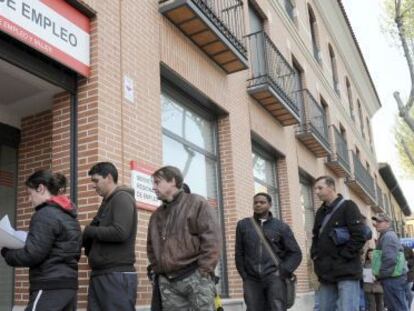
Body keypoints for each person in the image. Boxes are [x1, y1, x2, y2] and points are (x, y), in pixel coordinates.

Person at [1, 170, 81, 310]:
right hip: (69, 286)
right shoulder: (70, 217)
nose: (29, 199)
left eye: (30, 194)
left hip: (48, 286)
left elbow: (32, 254)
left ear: (41, 188)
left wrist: (6, 252)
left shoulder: (44, 214)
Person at [147, 166, 220, 310]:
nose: (153, 187)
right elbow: (151, 246)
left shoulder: (197, 203)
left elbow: (212, 240)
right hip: (168, 282)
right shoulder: (156, 215)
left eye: (157, 182)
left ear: (172, 181)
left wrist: (203, 271)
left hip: (196, 277)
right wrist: (158, 270)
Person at [83, 162, 138, 310]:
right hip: (101, 273)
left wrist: (86, 230)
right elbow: (92, 232)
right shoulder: (106, 203)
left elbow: (120, 232)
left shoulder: (122, 198)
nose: (93, 186)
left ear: (108, 177)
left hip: (116, 275)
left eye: (96, 181)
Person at [235, 192, 302, 310]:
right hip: (251, 279)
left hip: (274, 277)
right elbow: (239, 252)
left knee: (276, 308)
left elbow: (295, 253)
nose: (258, 205)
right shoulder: (243, 225)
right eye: (255, 202)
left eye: (262, 202)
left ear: (270, 205)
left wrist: (283, 271)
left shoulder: (281, 227)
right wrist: (244, 275)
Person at [311, 176, 366, 311]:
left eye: (320, 188)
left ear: (331, 187)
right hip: (326, 273)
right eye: (315, 189)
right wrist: (315, 256)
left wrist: (343, 257)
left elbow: (359, 236)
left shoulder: (348, 206)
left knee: (348, 308)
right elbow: (315, 237)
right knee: (324, 308)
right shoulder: (320, 212)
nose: (316, 192)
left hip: (346, 271)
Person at [372, 213, 408, 311]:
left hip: (392, 278)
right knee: (396, 306)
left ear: (388, 223)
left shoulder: (388, 236)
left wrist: (380, 275)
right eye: (376, 221)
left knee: (397, 307)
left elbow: (390, 259)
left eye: (379, 221)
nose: (376, 224)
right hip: (392, 277)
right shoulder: (386, 236)